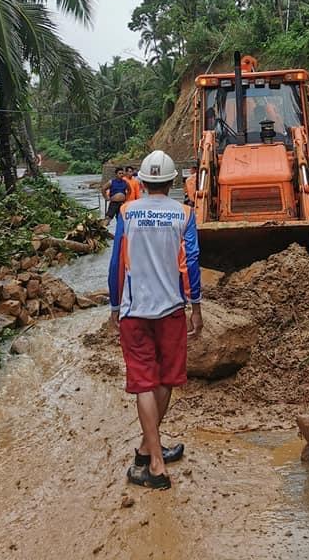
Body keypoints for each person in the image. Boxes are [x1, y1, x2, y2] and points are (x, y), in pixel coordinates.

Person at [109, 149, 202, 490]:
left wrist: (114, 307)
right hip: (171, 310)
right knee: (164, 379)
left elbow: (118, 261)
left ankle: (150, 450)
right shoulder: (184, 214)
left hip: (135, 312)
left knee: (145, 382)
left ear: (142, 181)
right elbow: (190, 263)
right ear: (173, 181)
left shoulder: (127, 212)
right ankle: (157, 464)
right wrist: (196, 308)